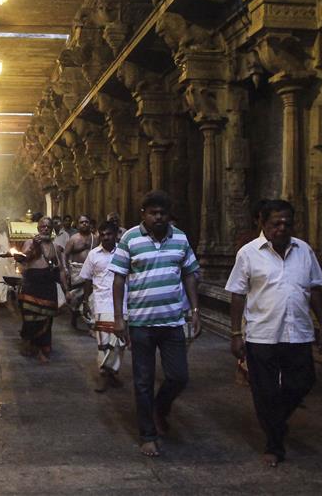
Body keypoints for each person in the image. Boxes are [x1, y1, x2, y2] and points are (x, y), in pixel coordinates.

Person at [225, 199, 322, 468]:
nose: (282, 228)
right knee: (265, 392)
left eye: (287, 223)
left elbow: (315, 289)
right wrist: (236, 333)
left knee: (303, 381)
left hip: (299, 331)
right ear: (262, 222)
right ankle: (274, 443)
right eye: (276, 223)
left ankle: (276, 421)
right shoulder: (248, 253)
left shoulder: (304, 250)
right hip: (262, 333)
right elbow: (237, 293)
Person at [110, 190, 202, 457]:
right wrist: (119, 318)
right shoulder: (130, 238)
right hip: (141, 323)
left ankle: (160, 408)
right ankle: (148, 434)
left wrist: (195, 310)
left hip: (172, 321)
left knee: (178, 376)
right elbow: (118, 280)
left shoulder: (180, 238)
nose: (158, 217)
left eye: (163, 213)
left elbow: (189, 275)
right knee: (143, 380)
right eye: (153, 212)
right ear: (144, 214)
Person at [76, 222, 124, 392]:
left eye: (109, 234)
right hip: (101, 303)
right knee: (103, 342)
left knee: (118, 342)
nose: (105, 237)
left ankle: (113, 372)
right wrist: (85, 302)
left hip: (121, 304)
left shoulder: (123, 253)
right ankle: (104, 374)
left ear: (116, 234)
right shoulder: (93, 254)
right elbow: (87, 279)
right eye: (102, 234)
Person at [16, 216, 69, 363]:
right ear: (38, 228)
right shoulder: (29, 242)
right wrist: (34, 245)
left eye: (48, 226)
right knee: (30, 318)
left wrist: (66, 290)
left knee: (46, 319)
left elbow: (61, 270)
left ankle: (42, 348)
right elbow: (23, 259)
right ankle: (29, 342)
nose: (45, 228)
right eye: (42, 226)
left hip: (48, 287)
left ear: (51, 229)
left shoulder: (56, 247)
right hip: (31, 286)